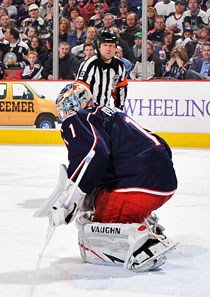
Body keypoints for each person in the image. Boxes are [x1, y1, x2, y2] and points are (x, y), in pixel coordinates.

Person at [45, 82, 177, 272]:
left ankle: (144, 243)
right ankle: (143, 224)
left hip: (139, 186)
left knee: (99, 229)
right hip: (164, 182)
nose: (62, 116)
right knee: (100, 201)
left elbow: (93, 151)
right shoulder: (112, 114)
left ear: (69, 105)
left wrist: (71, 198)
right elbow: (162, 146)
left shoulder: (78, 118)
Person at [76, 30, 128, 109]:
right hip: (86, 111)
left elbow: (120, 90)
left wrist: (118, 109)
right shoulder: (90, 64)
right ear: (99, 47)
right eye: (105, 45)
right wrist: (86, 110)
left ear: (115, 48)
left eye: (111, 45)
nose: (108, 49)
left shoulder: (119, 66)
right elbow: (79, 89)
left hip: (104, 111)